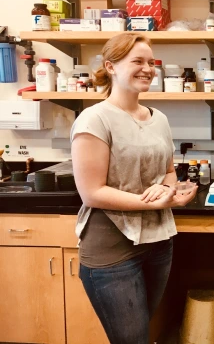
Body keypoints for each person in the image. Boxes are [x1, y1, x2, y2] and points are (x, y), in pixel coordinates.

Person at [71, 32, 197, 344]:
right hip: (111, 248)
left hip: (158, 242)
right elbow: (92, 192)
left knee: (142, 330)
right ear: (111, 66)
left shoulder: (159, 119)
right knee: (132, 339)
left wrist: (171, 193)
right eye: (137, 61)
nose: (147, 69)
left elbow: (168, 172)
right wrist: (152, 202)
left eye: (151, 62)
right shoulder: (95, 119)